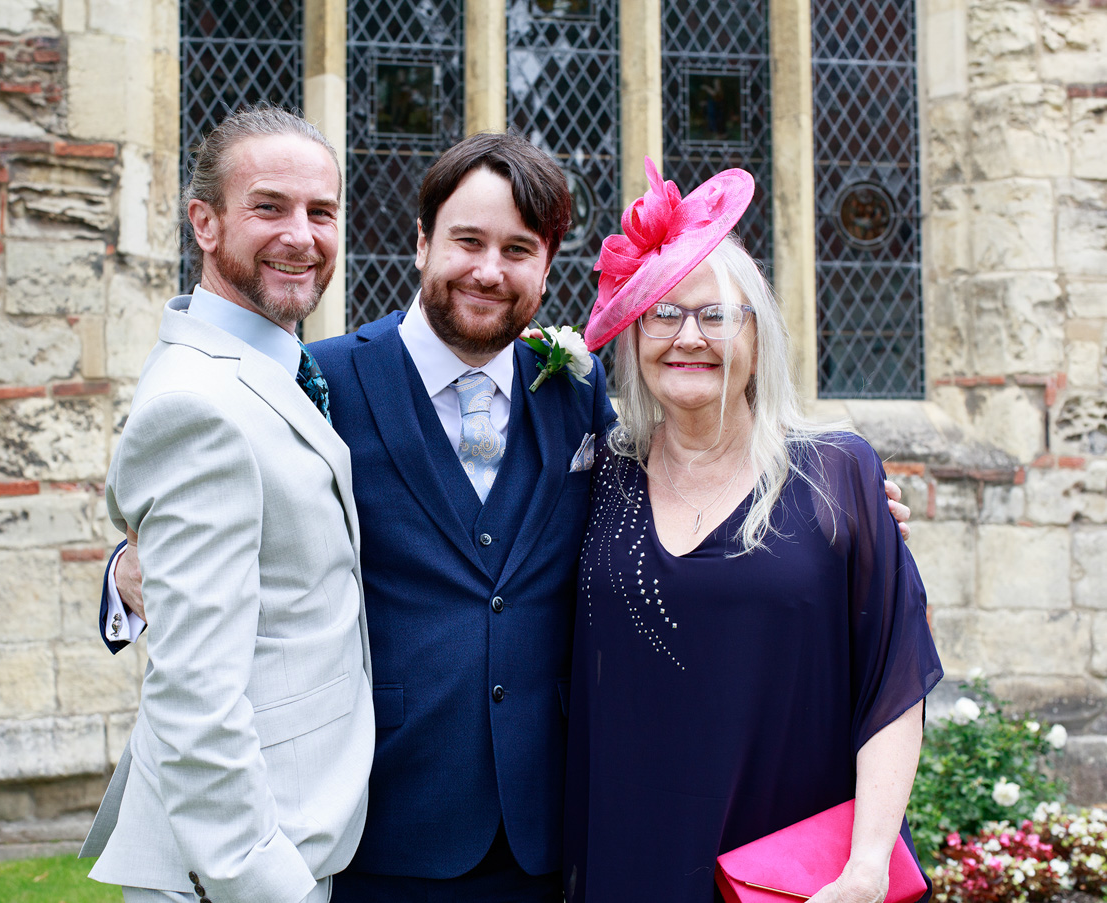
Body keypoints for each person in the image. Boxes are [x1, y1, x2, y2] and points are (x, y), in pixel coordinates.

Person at [101, 136, 913, 901]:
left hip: (548, 833)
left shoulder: (575, 391)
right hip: (380, 826)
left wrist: (843, 524)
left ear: (547, 266)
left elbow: (684, 500)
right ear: (422, 243)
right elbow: (232, 513)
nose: (489, 271)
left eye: (518, 249)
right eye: (468, 241)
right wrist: (129, 573)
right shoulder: (324, 382)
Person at [562, 160, 942, 903]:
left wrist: (867, 868)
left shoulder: (836, 474)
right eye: (662, 314)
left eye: (716, 315)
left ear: (758, 337)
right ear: (634, 339)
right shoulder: (599, 477)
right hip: (630, 856)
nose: (688, 337)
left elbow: (894, 677)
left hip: (794, 874)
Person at [80, 104, 374, 903]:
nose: (301, 236)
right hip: (240, 864)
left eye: (321, 212)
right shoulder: (200, 404)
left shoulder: (265, 365)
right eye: (269, 207)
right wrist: (262, 879)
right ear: (204, 223)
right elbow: (195, 694)